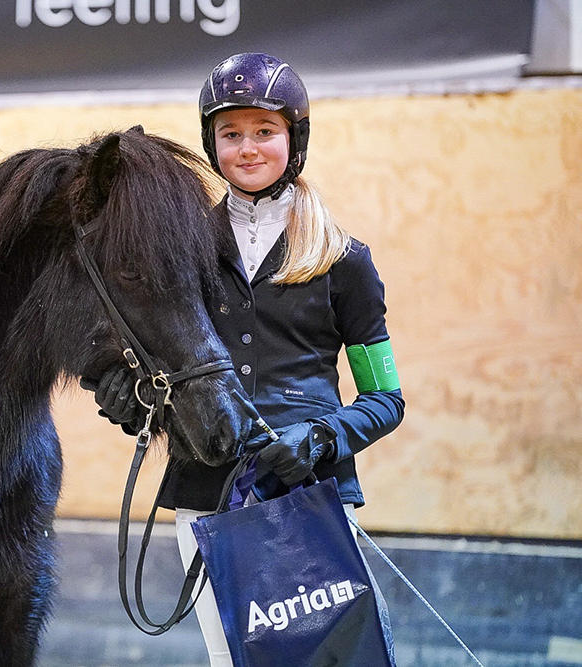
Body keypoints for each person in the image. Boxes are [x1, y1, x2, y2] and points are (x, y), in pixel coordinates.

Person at [89, 53, 404, 665]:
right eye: (230, 134)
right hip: (207, 493)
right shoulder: (180, 253)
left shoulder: (346, 260)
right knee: (231, 658)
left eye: (265, 131)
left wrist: (319, 439)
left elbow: (386, 400)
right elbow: (134, 358)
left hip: (308, 494)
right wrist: (125, 398)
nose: (248, 148)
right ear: (212, 144)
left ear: (295, 137)